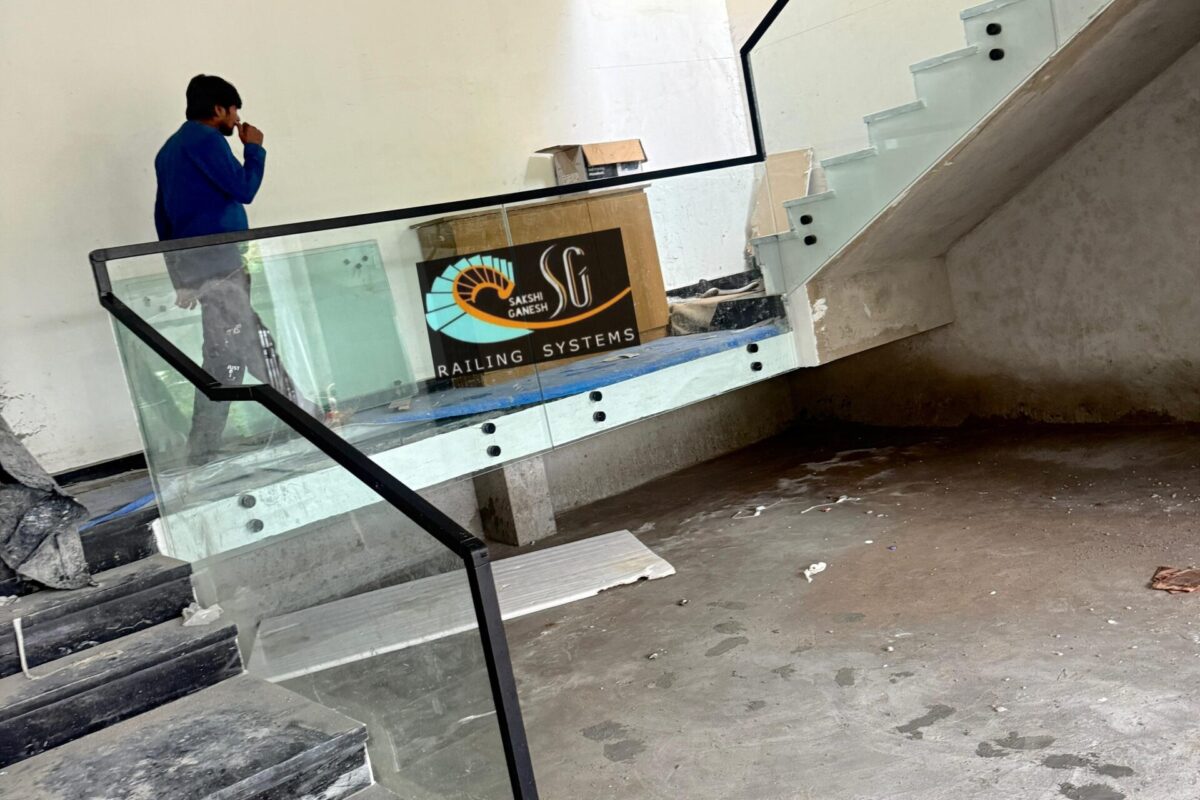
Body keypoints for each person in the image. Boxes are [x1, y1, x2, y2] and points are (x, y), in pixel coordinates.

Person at [154, 74, 318, 465]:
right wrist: (255, 149)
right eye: (233, 110)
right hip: (222, 262)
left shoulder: (168, 151)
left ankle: (206, 443)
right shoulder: (207, 140)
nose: (237, 119)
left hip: (196, 264)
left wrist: (180, 279)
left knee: (226, 350)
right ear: (218, 109)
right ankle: (302, 414)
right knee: (247, 343)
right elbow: (244, 189)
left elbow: (163, 218)